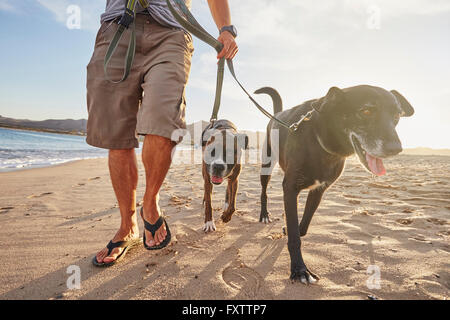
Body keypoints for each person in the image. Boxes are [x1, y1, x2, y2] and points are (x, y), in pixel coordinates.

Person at [88, 0, 238, 266]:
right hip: (118, 26)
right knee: (117, 135)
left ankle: (150, 201)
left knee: (164, 121)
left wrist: (226, 28)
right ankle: (127, 226)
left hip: (172, 30)